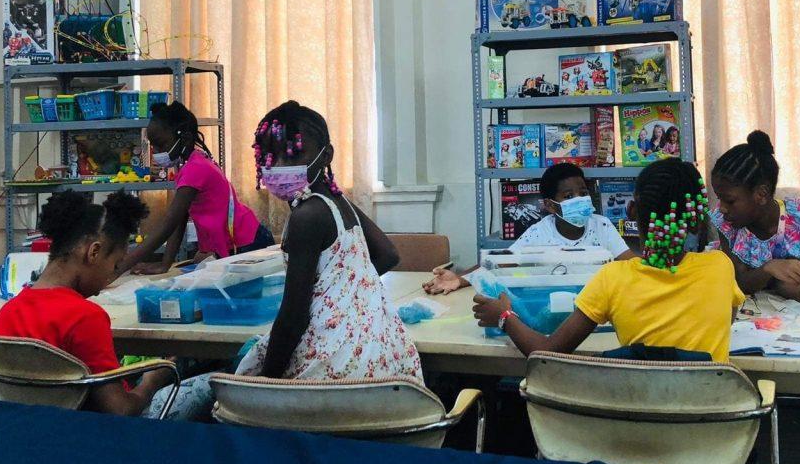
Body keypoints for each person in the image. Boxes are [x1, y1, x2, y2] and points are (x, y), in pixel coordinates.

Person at [472, 158, 745, 362]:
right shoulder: (720, 267)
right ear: (696, 219)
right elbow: (725, 319)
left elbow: (547, 353)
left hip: (629, 428)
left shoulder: (612, 278)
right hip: (711, 429)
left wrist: (504, 317)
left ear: (632, 210)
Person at [234, 101, 421, 381]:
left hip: (334, 366)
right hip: (380, 357)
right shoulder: (336, 201)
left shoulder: (307, 216)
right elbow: (387, 255)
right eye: (272, 158)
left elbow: (294, 317)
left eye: (294, 155)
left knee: (229, 380)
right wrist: (345, 297)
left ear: (326, 156)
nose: (280, 167)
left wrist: (266, 382)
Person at [0, 191, 176, 416]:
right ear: (94, 252)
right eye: (115, 265)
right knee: (202, 385)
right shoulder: (86, 317)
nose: (110, 277)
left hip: (20, 430)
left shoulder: (6, 313)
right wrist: (151, 383)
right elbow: (121, 409)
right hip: (84, 434)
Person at [422, 162, 635, 296]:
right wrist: (459, 279)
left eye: (582, 192)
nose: (579, 199)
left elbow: (630, 263)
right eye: (569, 196)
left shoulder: (602, 224)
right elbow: (500, 262)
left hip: (598, 304)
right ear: (550, 205)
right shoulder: (539, 232)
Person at [117, 101, 273, 276]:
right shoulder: (192, 163)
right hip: (242, 240)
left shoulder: (195, 168)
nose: (156, 151)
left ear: (184, 138)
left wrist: (118, 269)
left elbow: (168, 225)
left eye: (160, 144)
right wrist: (165, 264)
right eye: (153, 146)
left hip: (248, 242)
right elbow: (179, 221)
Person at [708, 130, 800, 304]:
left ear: (761, 194)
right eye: (719, 197)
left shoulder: (799, 219)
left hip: (773, 314)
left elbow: (785, 283)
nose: (721, 208)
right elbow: (739, 283)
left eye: (729, 200)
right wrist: (769, 268)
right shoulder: (727, 223)